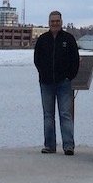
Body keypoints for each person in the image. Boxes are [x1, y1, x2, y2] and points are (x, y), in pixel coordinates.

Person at [33, 10, 80, 154]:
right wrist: (43, 73)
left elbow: (75, 60)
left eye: (57, 21)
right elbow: (37, 60)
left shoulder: (68, 39)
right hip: (46, 83)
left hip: (64, 83)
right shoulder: (43, 39)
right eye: (52, 21)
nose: (55, 23)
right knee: (48, 115)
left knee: (65, 114)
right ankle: (50, 146)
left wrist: (69, 76)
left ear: (61, 22)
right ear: (49, 23)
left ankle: (68, 146)